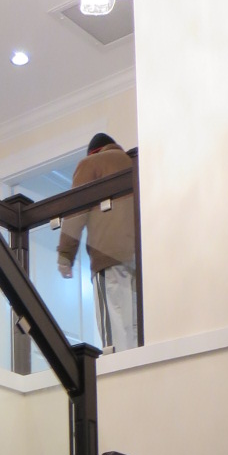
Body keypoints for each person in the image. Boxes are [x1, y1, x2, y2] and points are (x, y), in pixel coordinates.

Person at [57, 133, 138, 352]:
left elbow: (76, 210)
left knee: (113, 327)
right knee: (135, 328)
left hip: (107, 256)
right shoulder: (134, 164)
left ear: (93, 152)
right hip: (137, 260)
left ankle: (117, 372)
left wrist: (65, 255)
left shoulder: (90, 164)